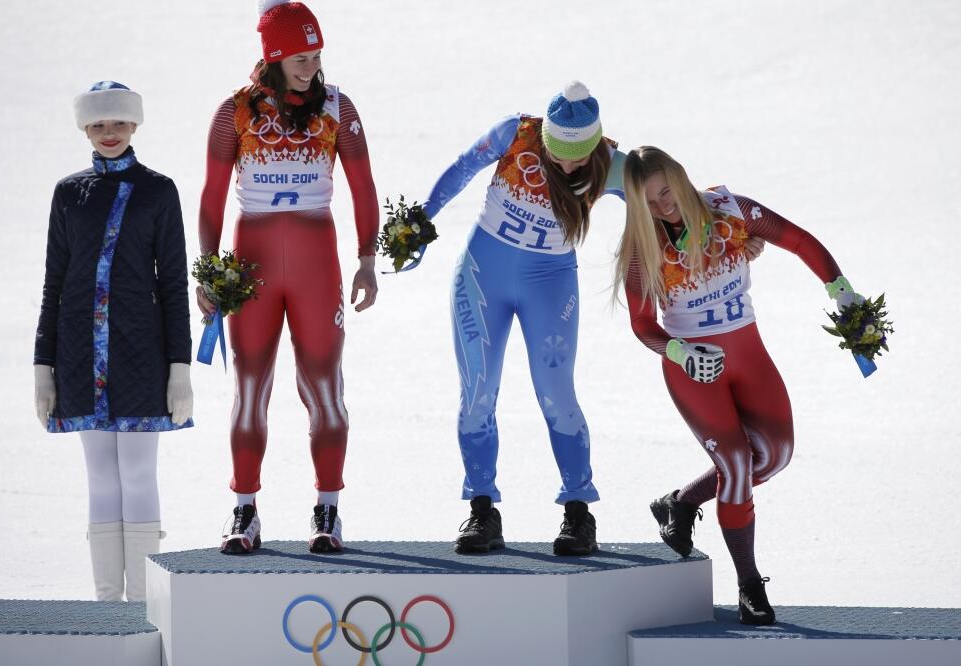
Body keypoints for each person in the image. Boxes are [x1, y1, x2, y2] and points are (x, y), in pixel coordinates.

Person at [616, 145, 868, 624]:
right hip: (695, 369)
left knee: (773, 457)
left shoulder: (731, 210)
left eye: (667, 191)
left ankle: (681, 501)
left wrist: (843, 293)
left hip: (748, 353)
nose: (663, 206)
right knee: (734, 463)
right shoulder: (639, 248)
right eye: (648, 201)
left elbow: (799, 241)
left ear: (682, 178)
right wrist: (680, 351)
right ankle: (749, 584)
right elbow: (643, 324)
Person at [197, 0, 378, 555]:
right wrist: (207, 272)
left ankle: (328, 507)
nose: (311, 65)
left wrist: (367, 257)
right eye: (300, 56)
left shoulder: (339, 108)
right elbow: (210, 195)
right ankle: (244, 510)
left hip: (315, 262)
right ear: (273, 55)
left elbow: (364, 185)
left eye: (317, 54)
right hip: (250, 262)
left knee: (324, 388)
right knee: (250, 388)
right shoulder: (235, 111)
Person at [422, 81, 628, 556]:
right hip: (481, 277)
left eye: (579, 157)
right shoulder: (516, 135)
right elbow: (461, 168)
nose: (568, 165)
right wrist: (419, 223)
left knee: (556, 393)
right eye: (559, 153)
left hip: (549, 284)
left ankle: (578, 511)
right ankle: (481, 509)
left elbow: (667, 199)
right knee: (477, 391)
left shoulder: (614, 164)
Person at [33, 81, 194, 601]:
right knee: (101, 478)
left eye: (119, 123)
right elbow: (53, 282)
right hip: (79, 355)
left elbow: (171, 282)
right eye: (99, 124)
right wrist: (44, 366)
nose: (109, 133)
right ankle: (108, 606)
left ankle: (146, 606)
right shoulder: (67, 193)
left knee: (140, 474)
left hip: (141, 354)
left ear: (135, 126)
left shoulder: (159, 190)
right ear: (85, 128)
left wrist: (179, 367)